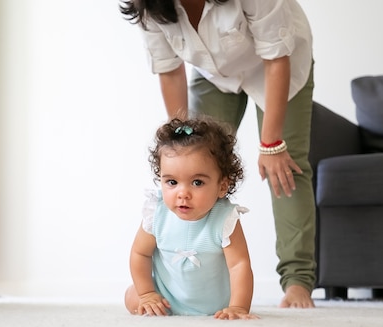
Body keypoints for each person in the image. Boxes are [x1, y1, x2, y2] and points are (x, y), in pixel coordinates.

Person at [120, 0, 316, 308]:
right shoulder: (149, 6)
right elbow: (170, 71)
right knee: (194, 168)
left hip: (279, 65)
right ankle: (187, 284)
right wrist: (180, 144)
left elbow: (276, 58)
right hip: (215, 75)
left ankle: (297, 281)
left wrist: (271, 144)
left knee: (284, 169)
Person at [125, 117, 257, 319]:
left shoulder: (224, 219)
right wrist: (147, 293)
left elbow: (239, 265)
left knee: (234, 299)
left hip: (216, 305)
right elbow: (140, 254)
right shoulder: (156, 213)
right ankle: (150, 299)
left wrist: (238, 307)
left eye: (197, 182)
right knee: (132, 296)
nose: (182, 193)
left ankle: (229, 308)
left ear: (222, 186)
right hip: (166, 298)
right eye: (172, 182)